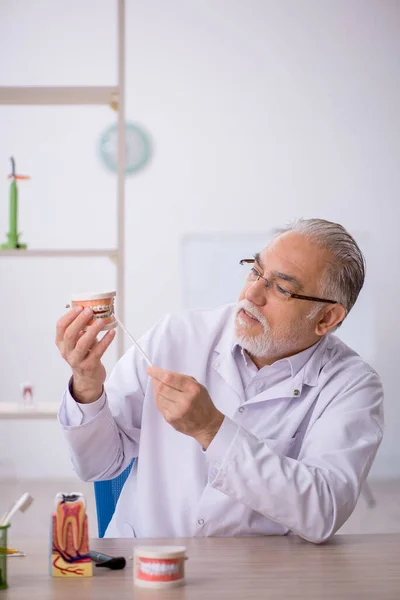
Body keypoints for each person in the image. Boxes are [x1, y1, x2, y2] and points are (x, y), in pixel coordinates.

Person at [56, 218, 383, 543]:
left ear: (327, 318)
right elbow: (96, 466)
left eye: (282, 288)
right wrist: (86, 385)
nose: (252, 293)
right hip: (145, 561)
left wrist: (211, 429)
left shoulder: (352, 385)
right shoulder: (177, 336)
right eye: (255, 270)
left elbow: (321, 511)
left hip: (257, 576)